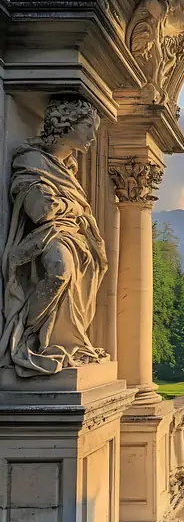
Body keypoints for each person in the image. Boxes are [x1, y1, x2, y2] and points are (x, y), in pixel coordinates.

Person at [0, 96, 108, 376]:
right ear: (65, 124)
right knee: (59, 272)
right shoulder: (32, 160)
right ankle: (29, 336)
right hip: (47, 237)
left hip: (70, 236)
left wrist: (67, 207)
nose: (93, 136)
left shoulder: (67, 171)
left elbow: (64, 207)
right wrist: (72, 206)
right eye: (87, 126)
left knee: (69, 279)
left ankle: (59, 339)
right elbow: (41, 211)